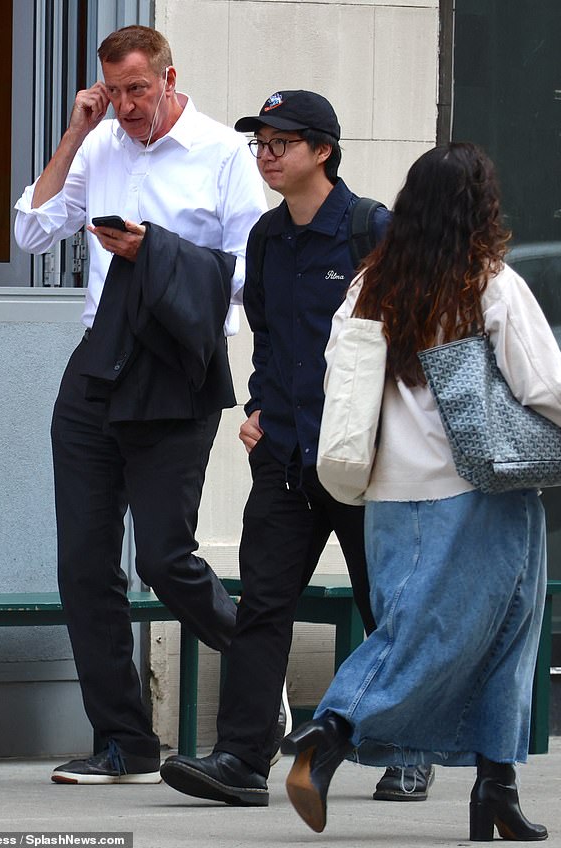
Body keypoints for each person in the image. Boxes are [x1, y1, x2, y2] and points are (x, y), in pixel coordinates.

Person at [280, 142, 561, 841]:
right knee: (468, 636)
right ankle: (330, 734)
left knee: (472, 631)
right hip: (477, 492)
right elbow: (545, 386)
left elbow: (340, 385)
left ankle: (495, 789)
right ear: (479, 207)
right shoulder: (486, 283)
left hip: (386, 492)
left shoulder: (370, 285)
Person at [160, 90, 433, 805]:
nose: (267, 154)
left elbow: (414, 341)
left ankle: (409, 749)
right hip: (284, 459)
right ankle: (243, 762)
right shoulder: (264, 238)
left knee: (389, 607)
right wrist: (256, 408)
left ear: (323, 151)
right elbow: (270, 343)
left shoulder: (372, 230)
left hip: (368, 462)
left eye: (282, 141)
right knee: (262, 608)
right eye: (261, 142)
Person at [14, 25, 268, 785]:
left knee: (163, 557)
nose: (125, 107)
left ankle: (259, 672)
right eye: (113, 92)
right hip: (99, 360)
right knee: (84, 564)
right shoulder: (100, 144)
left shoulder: (222, 153)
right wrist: (73, 134)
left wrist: (154, 253)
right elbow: (31, 232)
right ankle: (124, 741)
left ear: (168, 78)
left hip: (176, 365)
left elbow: (252, 269)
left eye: (137, 91)